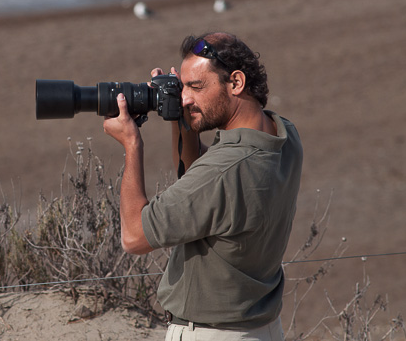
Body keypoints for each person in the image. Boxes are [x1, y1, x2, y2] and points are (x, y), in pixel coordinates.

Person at [103, 32, 302, 341]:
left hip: (211, 333)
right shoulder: (283, 135)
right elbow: (201, 183)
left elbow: (133, 236)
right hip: (262, 329)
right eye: (182, 88)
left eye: (195, 87)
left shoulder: (223, 172)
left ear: (236, 83)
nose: (184, 98)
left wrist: (132, 144)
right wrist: (181, 119)